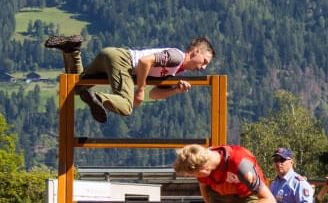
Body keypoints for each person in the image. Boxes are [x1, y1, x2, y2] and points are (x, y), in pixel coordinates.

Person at [44, 35, 215, 123]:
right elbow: (144, 61)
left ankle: (71, 50)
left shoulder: (176, 71)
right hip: (123, 61)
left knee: (77, 87)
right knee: (126, 107)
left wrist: (175, 89)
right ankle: (99, 98)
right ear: (196, 52)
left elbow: (154, 94)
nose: (203, 67)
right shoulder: (176, 57)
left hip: (110, 55)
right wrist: (140, 90)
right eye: (204, 62)